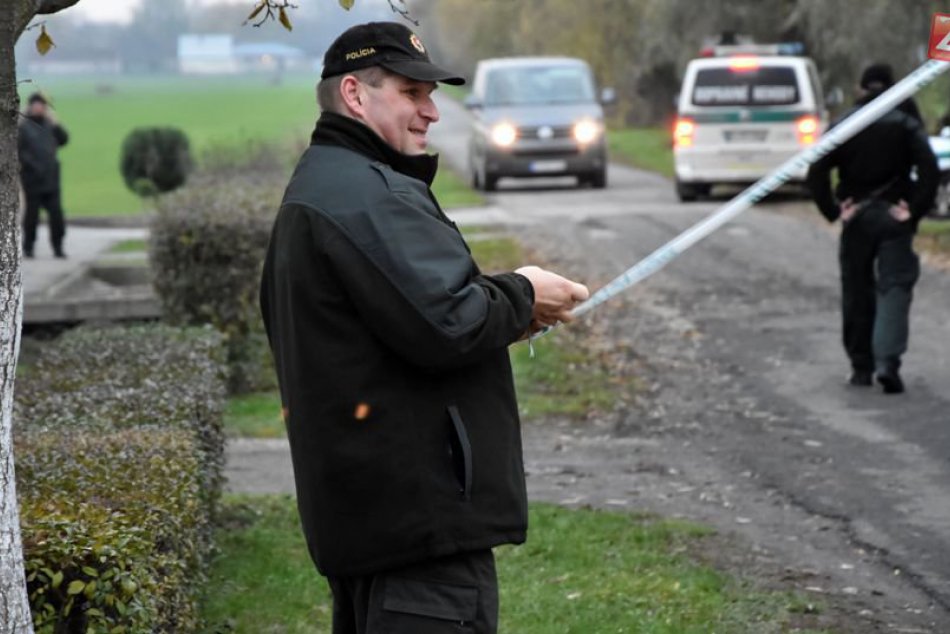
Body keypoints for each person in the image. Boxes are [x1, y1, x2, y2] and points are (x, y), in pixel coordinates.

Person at [259, 21, 590, 634]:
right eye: (411, 93)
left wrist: (512, 313)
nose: (432, 111)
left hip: (378, 527)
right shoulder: (366, 195)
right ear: (355, 94)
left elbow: (407, 318)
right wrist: (524, 292)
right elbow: (450, 321)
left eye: (430, 95)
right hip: (418, 534)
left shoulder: (329, 184)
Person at [806, 62, 938, 394]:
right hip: (894, 216)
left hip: (858, 217)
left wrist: (834, 211)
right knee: (895, 287)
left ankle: (861, 367)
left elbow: (816, 170)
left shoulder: (845, 124)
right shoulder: (906, 124)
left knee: (856, 291)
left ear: (861, 89)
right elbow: (930, 169)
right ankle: (888, 362)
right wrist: (914, 210)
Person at [18, 92, 69, 259]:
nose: (39, 108)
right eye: (36, 105)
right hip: (32, 179)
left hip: (51, 179)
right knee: (32, 216)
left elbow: (64, 140)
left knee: (57, 215)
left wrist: (56, 123)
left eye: (42, 106)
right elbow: (20, 152)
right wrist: (33, 167)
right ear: (30, 107)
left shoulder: (50, 125)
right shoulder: (23, 127)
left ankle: (58, 247)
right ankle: (28, 247)